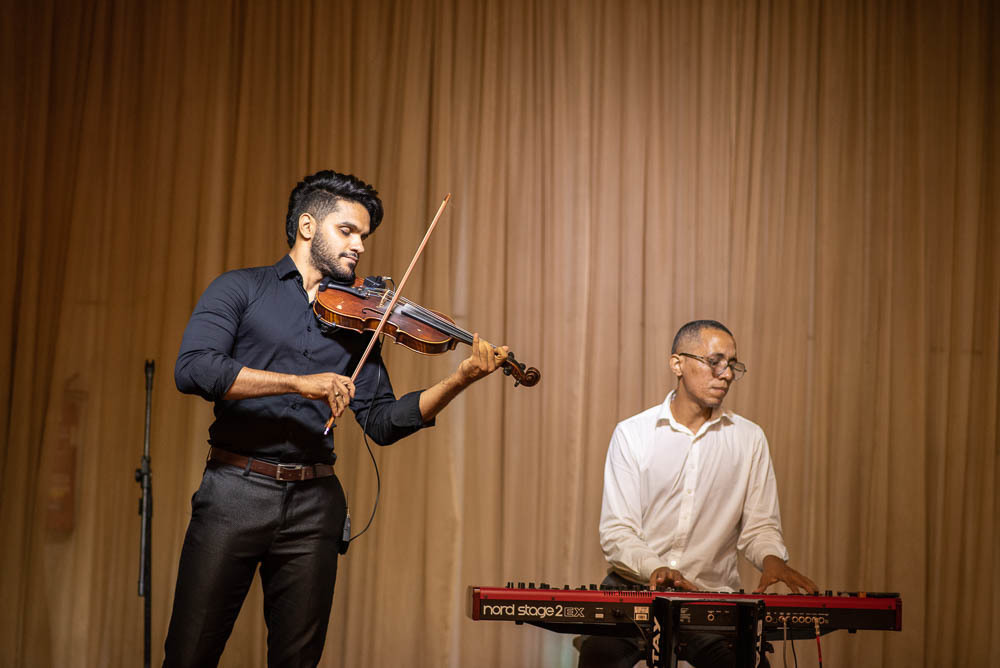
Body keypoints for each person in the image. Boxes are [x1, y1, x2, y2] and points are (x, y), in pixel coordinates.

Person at [164, 170, 509, 667]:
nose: (359, 247)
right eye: (347, 231)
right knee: (190, 653)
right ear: (308, 226)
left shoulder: (357, 318)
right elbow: (195, 369)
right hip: (234, 491)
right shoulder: (240, 289)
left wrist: (460, 379)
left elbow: (383, 422)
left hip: (315, 504)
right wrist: (300, 383)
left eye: (363, 236)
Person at [578, 320, 817, 668]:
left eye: (732, 364)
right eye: (714, 362)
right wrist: (657, 568)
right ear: (677, 364)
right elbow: (618, 531)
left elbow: (760, 527)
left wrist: (772, 558)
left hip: (709, 599)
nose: (726, 374)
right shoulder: (632, 434)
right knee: (598, 657)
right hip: (633, 592)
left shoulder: (749, 439)